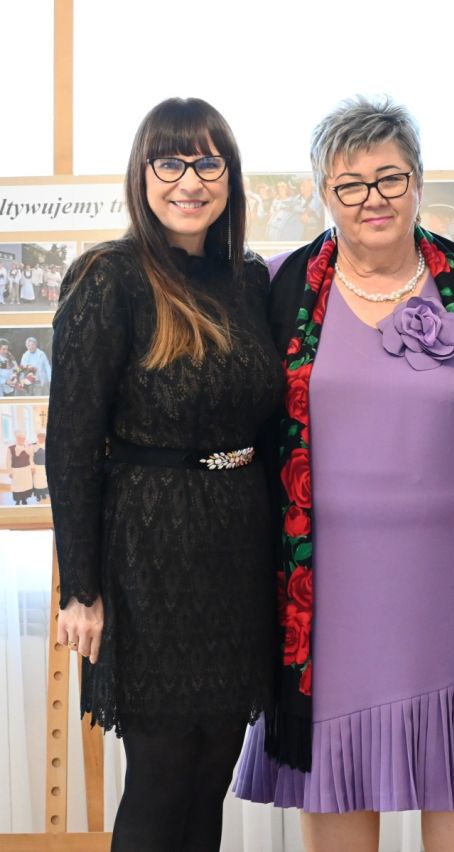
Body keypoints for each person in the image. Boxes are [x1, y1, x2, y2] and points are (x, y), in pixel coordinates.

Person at [234, 95, 454, 852]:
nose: (371, 199)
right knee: (338, 790)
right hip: (324, 596)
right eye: (349, 184)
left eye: (390, 178)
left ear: (418, 180)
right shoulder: (281, 290)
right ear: (323, 192)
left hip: (451, 586)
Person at [47, 97, 281, 852]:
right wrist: (80, 589)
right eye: (171, 161)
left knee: (212, 772)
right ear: (142, 174)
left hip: (237, 553)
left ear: (230, 176)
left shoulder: (249, 279)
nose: (190, 180)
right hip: (148, 554)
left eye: (208, 162)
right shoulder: (107, 278)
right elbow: (70, 446)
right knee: (161, 774)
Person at [5, 432, 35, 505]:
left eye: (23, 438)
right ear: (16, 439)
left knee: (25, 485)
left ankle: (24, 499)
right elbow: (8, 461)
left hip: (26, 470)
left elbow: (31, 459)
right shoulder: (11, 448)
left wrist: (32, 467)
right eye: (20, 438)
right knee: (17, 486)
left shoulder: (28, 447)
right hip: (16, 471)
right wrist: (10, 472)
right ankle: (17, 500)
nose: (22, 439)